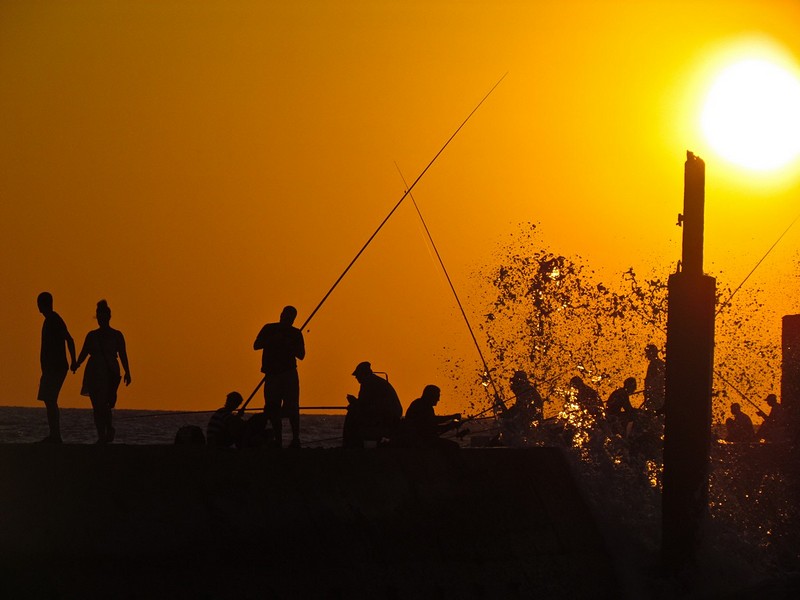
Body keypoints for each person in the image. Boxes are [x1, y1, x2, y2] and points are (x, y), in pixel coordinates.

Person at [73, 300, 131, 444]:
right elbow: (84, 352)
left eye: (103, 317)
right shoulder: (91, 335)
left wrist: (128, 372)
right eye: (99, 317)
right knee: (96, 405)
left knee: (105, 403)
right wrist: (76, 364)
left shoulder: (117, 335)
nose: (101, 319)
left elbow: (123, 354)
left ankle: (108, 430)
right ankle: (101, 435)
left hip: (109, 372)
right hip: (93, 371)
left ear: (108, 317)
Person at [254, 305, 305, 449]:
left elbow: (301, 355)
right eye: (286, 316)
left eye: (291, 318)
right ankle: (278, 440)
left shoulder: (295, 334)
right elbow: (256, 345)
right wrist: (272, 340)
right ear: (281, 315)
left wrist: (290, 346)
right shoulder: (269, 328)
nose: (288, 320)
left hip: (289, 374)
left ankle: (296, 439)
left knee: (293, 407)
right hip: (272, 374)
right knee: (272, 407)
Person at [36, 292, 77, 443]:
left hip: (56, 367)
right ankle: (54, 434)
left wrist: (74, 360)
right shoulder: (50, 320)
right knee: (49, 400)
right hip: (50, 368)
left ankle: (55, 435)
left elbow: (69, 340)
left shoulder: (54, 320)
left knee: (50, 399)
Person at [343, 361, 403, 448]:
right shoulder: (376, 381)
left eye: (357, 375)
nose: (356, 377)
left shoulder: (368, 383)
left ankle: (352, 446)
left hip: (386, 417)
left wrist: (353, 402)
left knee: (352, 415)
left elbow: (363, 404)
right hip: (389, 415)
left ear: (363, 374)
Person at [400, 384, 461, 449]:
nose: (438, 399)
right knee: (454, 446)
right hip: (420, 441)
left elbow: (432, 424)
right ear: (431, 395)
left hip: (421, 440)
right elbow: (431, 425)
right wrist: (451, 421)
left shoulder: (421, 404)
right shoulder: (421, 406)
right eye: (437, 396)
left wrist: (450, 424)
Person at [642, 344, 665, 414]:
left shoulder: (653, 365)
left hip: (655, 396)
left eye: (647, 353)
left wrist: (648, 392)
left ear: (652, 353)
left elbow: (652, 381)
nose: (646, 355)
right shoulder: (662, 364)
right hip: (658, 395)